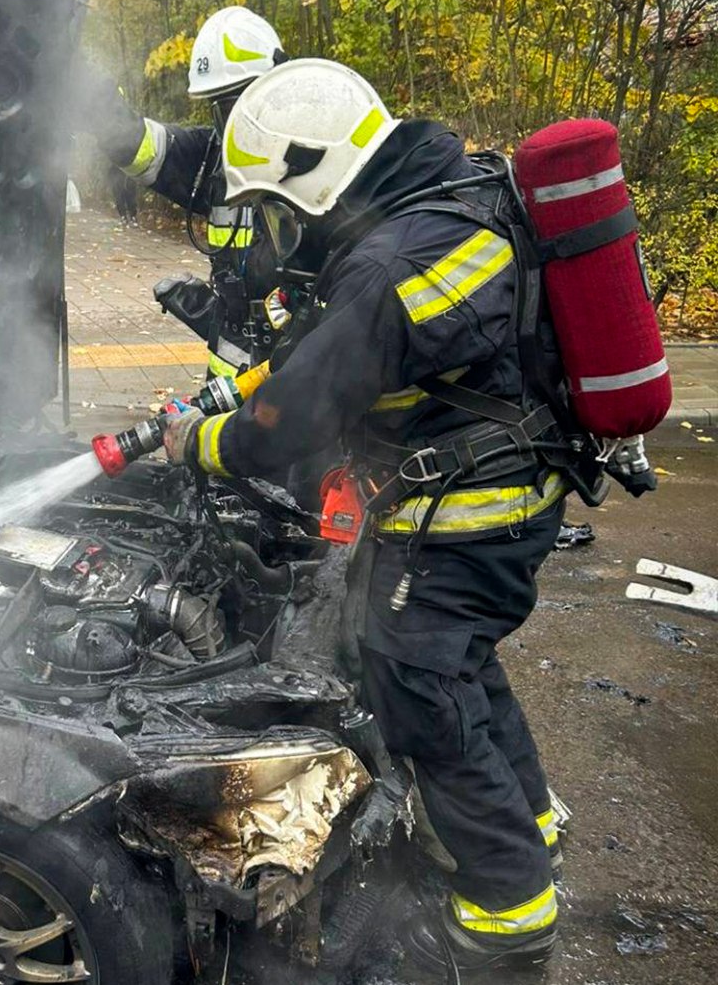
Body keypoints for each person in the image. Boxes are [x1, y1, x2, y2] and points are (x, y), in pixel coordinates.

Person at [163, 58, 566, 973]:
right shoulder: (439, 195)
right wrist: (249, 378)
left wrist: (206, 442)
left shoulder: (388, 264)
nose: (278, 231)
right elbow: (336, 345)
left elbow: (292, 421)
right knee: (465, 665)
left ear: (313, 183)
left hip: (472, 514)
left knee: (418, 683)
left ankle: (507, 913)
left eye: (277, 209)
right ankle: (528, 824)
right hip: (513, 491)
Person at [82, 6, 290, 379]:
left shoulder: (320, 166)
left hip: (297, 398)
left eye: (241, 102)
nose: (234, 122)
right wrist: (82, 83)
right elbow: (133, 144)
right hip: (226, 396)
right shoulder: (211, 156)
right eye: (222, 108)